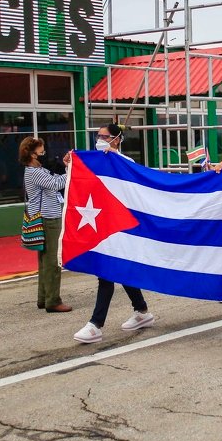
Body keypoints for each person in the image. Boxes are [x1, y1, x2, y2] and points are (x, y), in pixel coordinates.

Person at [73, 124, 155, 344]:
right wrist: (71, 165)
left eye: (104, 136)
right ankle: (141, 311)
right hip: (103, 225)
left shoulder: (126, 163)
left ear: (116, 139)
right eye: (97, 136)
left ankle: (95, 324)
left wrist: (115, 161)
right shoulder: (94, 161)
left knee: (107, 272)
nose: (99, 140)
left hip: (121, 227)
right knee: (120, 269)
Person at [19, 136, 71, 313]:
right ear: (32, 154)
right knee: (52, 261)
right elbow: (57, 183)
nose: (44, 154)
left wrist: (66, 167)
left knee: (44, 261)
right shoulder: (35, 173)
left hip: (43, 217)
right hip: (48, 218)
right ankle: (53, 300)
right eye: (41, 152)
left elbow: (56, 177)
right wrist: (73, 169)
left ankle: (43, 298)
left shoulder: (37, 170)